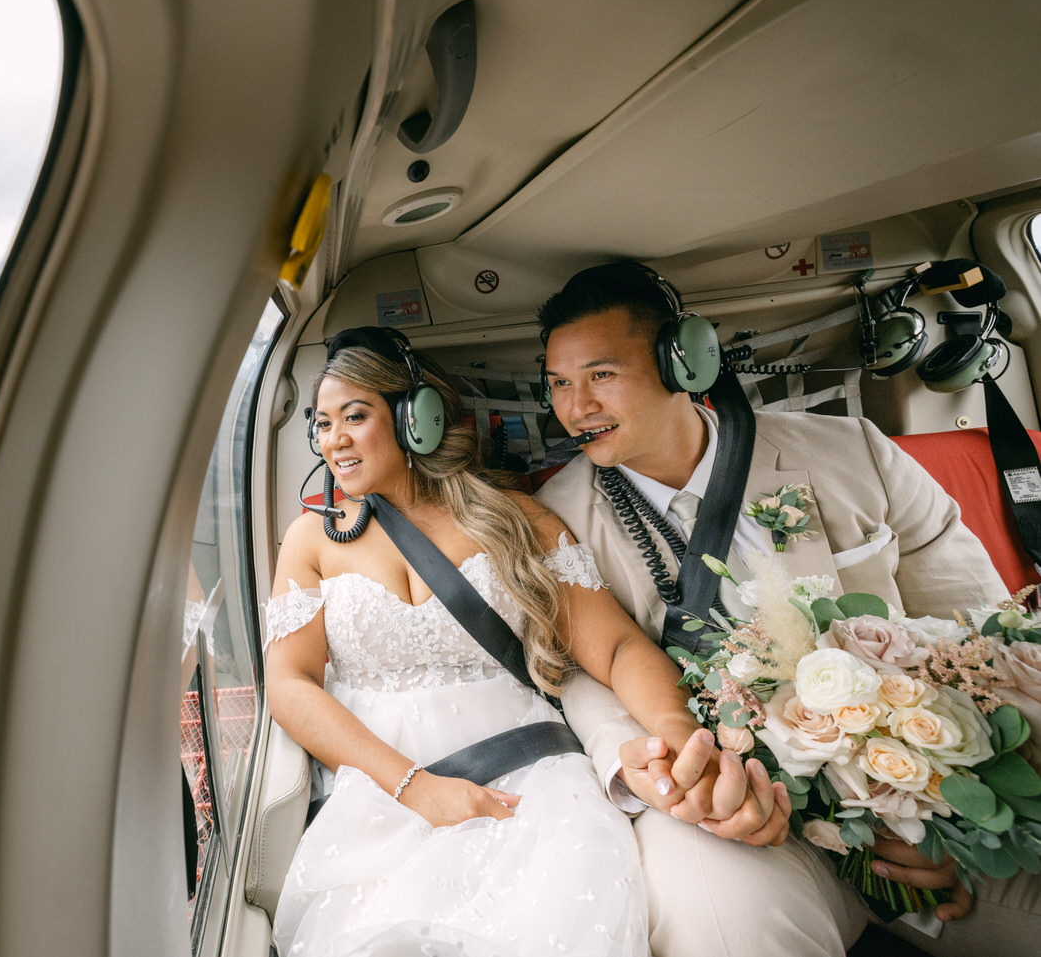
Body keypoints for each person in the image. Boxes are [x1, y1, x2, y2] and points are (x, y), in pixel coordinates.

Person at [536, 261, 1041, 957]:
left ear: (686, 362)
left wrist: (943, 802)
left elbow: (975, 628)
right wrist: (666, 770)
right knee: (724, 926)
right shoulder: (555, 521)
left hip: (917, 800)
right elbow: (582, 673)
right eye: (558, 384)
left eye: (599, 376)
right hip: (741, 813)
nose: (574, 407)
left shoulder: (851, 450)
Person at [264, 326, 772, 957]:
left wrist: (676, 734)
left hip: (534, 784)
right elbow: (290, 685)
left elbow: (615, 649)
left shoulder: (513, 517)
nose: (332, 439)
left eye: (354, 416)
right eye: (321, 423)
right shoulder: (310, 539)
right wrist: (415, 788)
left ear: (415, 418)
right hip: (381, 793)